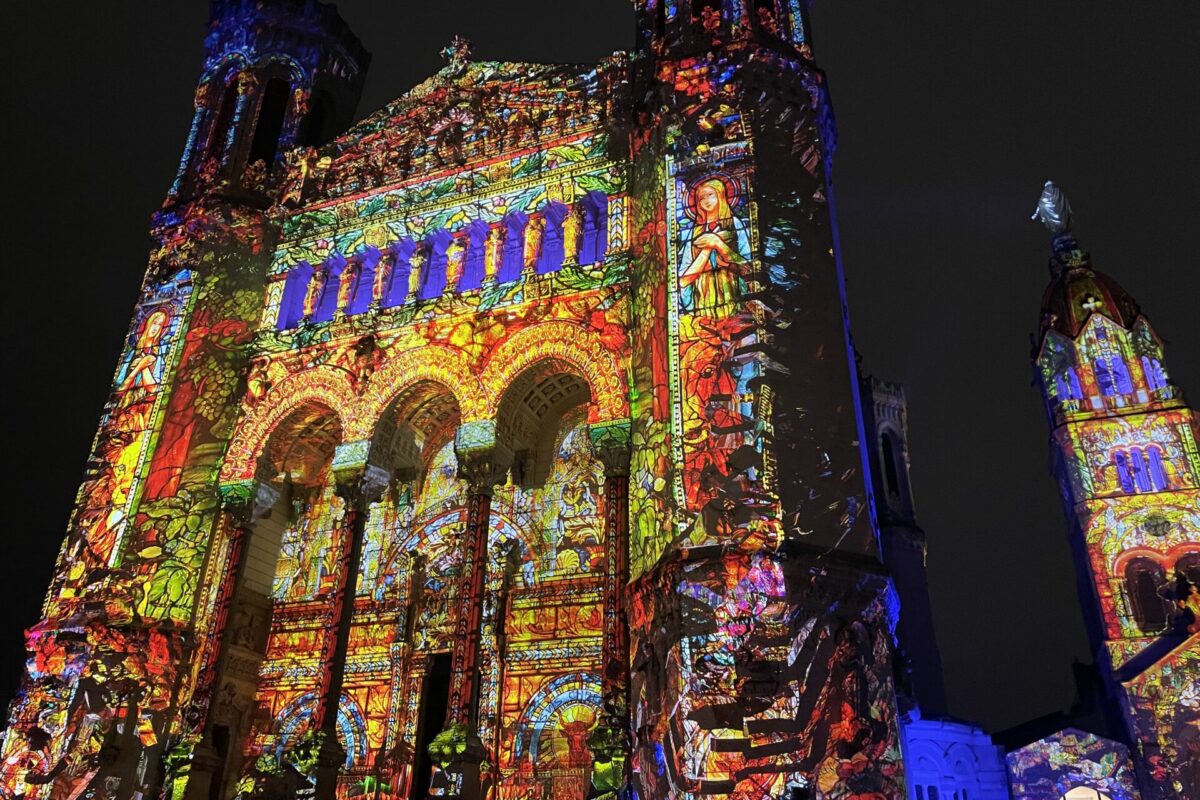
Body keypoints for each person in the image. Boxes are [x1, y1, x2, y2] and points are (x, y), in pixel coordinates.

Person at [679, 177, 750, 318]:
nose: (706, 200)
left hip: (733, 297)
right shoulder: (695, 233)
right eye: (701, 198)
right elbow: (683, 280)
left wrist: (717, 243)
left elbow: (749, 268)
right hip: (703, 304)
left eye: (710, 195)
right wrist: (707, 249)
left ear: (721, 195)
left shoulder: (735, 224)